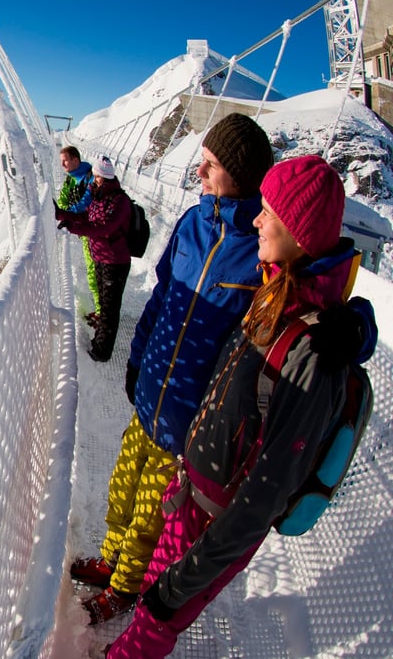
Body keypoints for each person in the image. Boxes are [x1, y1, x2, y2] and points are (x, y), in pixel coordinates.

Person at [105, 154, 378, 658]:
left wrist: (188, 578)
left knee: (162, 611)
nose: (256, 218)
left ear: (297, 229)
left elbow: (264, 494)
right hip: (193, 489)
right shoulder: (274, 284)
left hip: (215, 521)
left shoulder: (313, 346)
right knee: (156, 595)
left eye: (269, 211)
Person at [69, 113, 275, 623]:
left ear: (240, 175)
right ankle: (112, 559)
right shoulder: (191, 223)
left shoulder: (261, 254)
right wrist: (137, 358)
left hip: (189, 417)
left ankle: (124, 587)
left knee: (147, 512)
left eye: (210, 165)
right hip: (152, 391)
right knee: (122, 485)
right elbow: (162, 296)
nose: (199, 173)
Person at [55, 155, 132, 362]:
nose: (93, 179)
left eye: (97, 176)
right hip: (100, 257)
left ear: (103, 177)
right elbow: (84, 216)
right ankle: (99, 341)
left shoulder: (119, 200)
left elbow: (104, 228)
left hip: (115, 262)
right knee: (104, 302)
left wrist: (73, 228)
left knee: (109, 308)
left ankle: (101, 351)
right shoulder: (97, 196)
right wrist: (62, 214)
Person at [56, 146, 99, 325]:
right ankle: (100, 310)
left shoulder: (91, 178)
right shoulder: (70, 180)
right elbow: (63, 200)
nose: (63, 165)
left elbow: (86, 202)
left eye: (65, 160)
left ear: (75, 159)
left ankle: (102, 312)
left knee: (95, 272)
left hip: (94, 231)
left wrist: (66, 215)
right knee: (93, 271)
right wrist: (64, 213)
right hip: (83, 231)